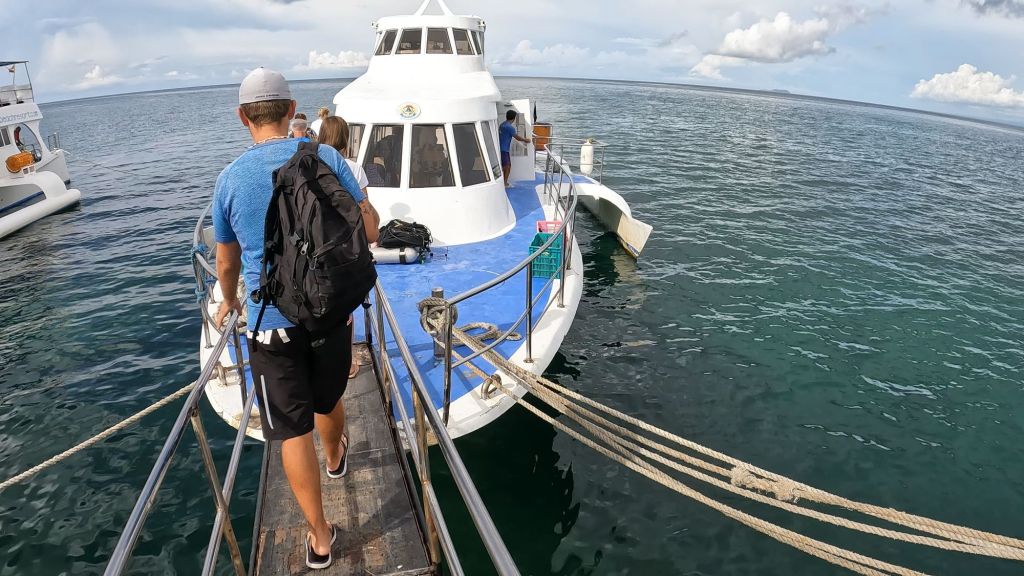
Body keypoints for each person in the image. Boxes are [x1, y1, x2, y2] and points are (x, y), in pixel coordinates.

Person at [211, 67, 380, 570]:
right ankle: (336, 459)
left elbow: (226, 261)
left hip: (270, 321)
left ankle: (321, 538)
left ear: (242, 117)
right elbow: (369, 230)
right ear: (290, 111)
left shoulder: (230, 179)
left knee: (290, 430)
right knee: (328, 398)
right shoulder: (327, 157)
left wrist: (229, 301)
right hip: (329, 313)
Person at [316, 115, 380, 381]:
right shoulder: (353, 168)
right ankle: (348, 358)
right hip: (348, 242)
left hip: (319, 240)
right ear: (346, 137)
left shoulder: (310, 163)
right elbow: (365, 206)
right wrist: (375, 229)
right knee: (346, 305)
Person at [499, 109, 531, 187]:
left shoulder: (502, 125)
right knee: (507, 166)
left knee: (505, 166)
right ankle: (504, 183)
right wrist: (526, 140)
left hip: (501, 149)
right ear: (514, 118)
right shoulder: (510, 127)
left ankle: (503, 182)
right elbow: (517, 137)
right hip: (504, 150)